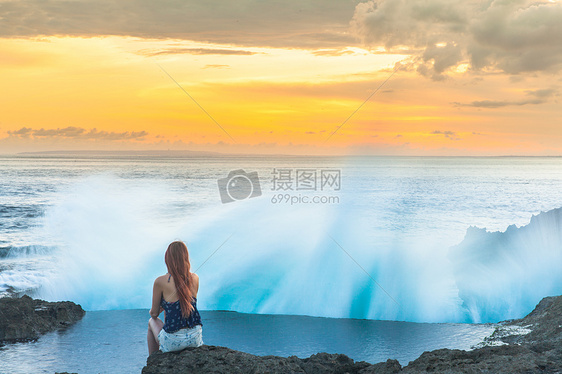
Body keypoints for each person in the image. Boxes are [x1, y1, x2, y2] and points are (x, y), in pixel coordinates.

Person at [147, 241, 203, 355]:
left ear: (168, 259)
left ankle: (153, 359)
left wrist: (164, 307)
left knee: (151, 322)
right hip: (195, 339)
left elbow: (154, 314)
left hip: (174, 342)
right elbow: (184, 306)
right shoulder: (195, 278)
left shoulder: (160, 281)